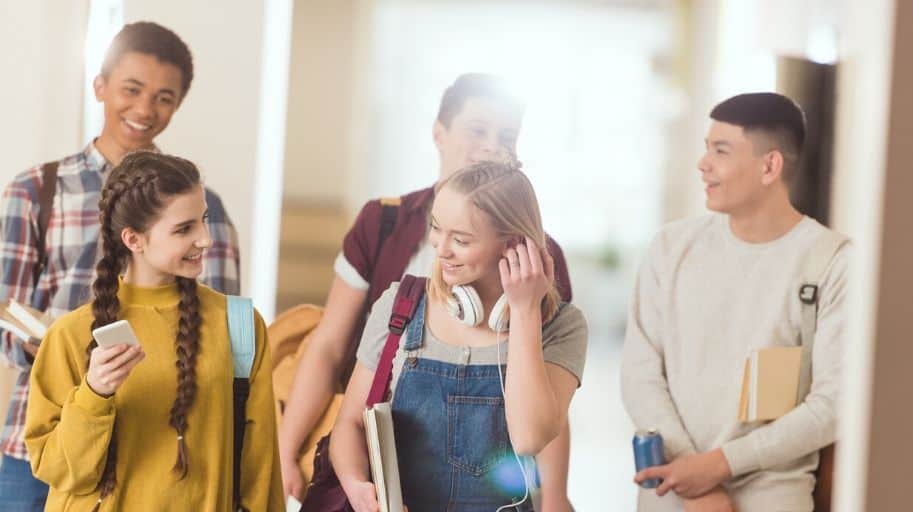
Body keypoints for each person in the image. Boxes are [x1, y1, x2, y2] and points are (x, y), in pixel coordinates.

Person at [279, 74, 576, 508]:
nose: (493, 145)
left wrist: (556, 495)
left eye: (507, 135)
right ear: (439, 133)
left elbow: (546, 406)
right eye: (478, 130)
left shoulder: (538, 268)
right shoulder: (387, 236)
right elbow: (330, 346)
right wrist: (287, 448)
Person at [0, 22, 239, 510]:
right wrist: (69, 357)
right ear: (100, 86)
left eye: (164, 97)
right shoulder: (35, 192)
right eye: (132, 89)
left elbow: (226, 336)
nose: (145, 110)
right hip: (39, 447)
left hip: (154, 452)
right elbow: (5, 311)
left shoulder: (201, 208)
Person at [621, 92, 850, 512]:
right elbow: (640, 373)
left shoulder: (832, 261)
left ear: (770, 166)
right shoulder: (670, 249)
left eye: (720, 151)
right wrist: (696, 481)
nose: (702, 164)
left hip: (772, 499)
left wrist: (720, 466)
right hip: (669, 493)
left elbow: (834, 403)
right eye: (706, 149)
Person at [24, 152, 282, 511]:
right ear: (133, 239)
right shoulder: (69, 335)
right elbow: (59, 470)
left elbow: (261, 468)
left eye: (204, 220)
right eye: (184, 228)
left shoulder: (239, 324)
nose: (206, 239)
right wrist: (95, 393)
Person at [331, 158, 587, 511]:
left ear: (514, 244)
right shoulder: (399, 306)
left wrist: (525, 312)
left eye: (461, 239)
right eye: (437, 228)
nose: (441, 248)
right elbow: (349, 423)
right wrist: (358, 487)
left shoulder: (561, 327)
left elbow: (530, 437)